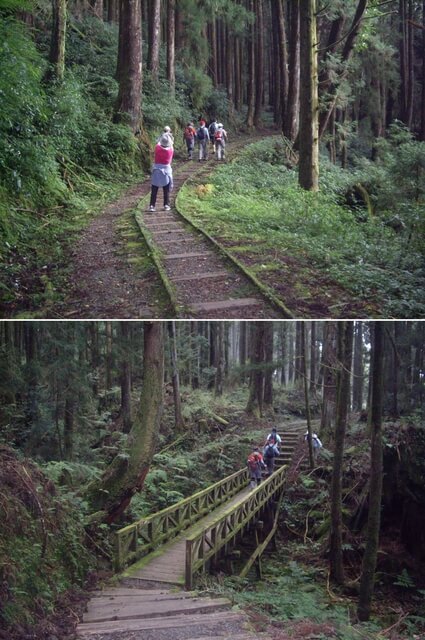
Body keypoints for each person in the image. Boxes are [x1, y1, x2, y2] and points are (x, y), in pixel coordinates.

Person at [148, 134, 174, 212]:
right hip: (166, 172)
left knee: (154, 190)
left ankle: (152, 206)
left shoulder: (157, 148)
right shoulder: (170, 151)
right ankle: (166, 205)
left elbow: (158, 143)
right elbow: (171, 145)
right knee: (166, 190)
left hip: (156, 170)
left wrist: (164, 134)